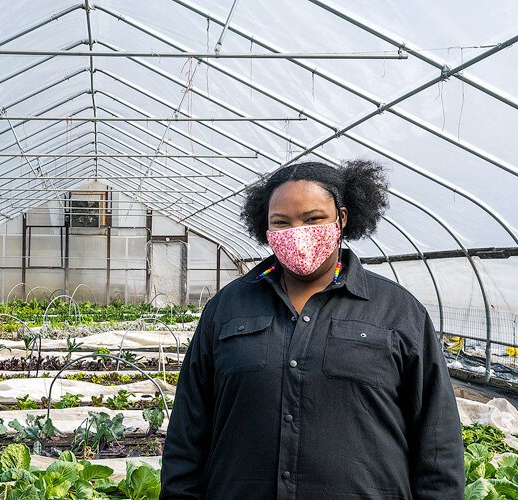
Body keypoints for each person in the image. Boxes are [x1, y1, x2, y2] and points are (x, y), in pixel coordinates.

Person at [161, 161, 463, 499]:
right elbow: (188, 430)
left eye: (313, 219)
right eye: (281, 223)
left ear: (342, 219)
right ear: (267, 230)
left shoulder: (398, 312)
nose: (297, 233)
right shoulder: (227, 308)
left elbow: (437, 442)